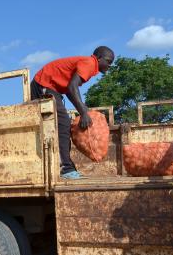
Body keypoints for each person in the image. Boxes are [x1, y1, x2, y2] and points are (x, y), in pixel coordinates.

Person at [30, 46, 114, 179]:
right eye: (108, 61)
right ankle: (65, 168)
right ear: (98, 57)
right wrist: (83, 112)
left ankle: (64, 166)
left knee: (58, 124)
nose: (110, 65)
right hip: (44, 84)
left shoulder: (90, 65)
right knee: (63, 123)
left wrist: (83, 109)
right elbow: (72, 87)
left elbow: (70, 89)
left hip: (50, 87)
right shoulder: (90, 63)